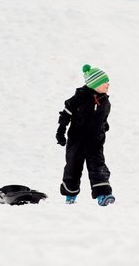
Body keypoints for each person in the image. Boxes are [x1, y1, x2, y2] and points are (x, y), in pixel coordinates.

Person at [56, 64, 115, 206]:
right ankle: (70, 195)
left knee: (98, 167)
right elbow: (66, 114)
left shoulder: (105, 101)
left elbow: (103, 118)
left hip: (95, 142)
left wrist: (104, 126)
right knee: (73, 167)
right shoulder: (79, 98)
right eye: (104, 82)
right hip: (77, 140)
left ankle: (103, 195)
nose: (108, 84)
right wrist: (61, 131)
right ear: (94, 84)